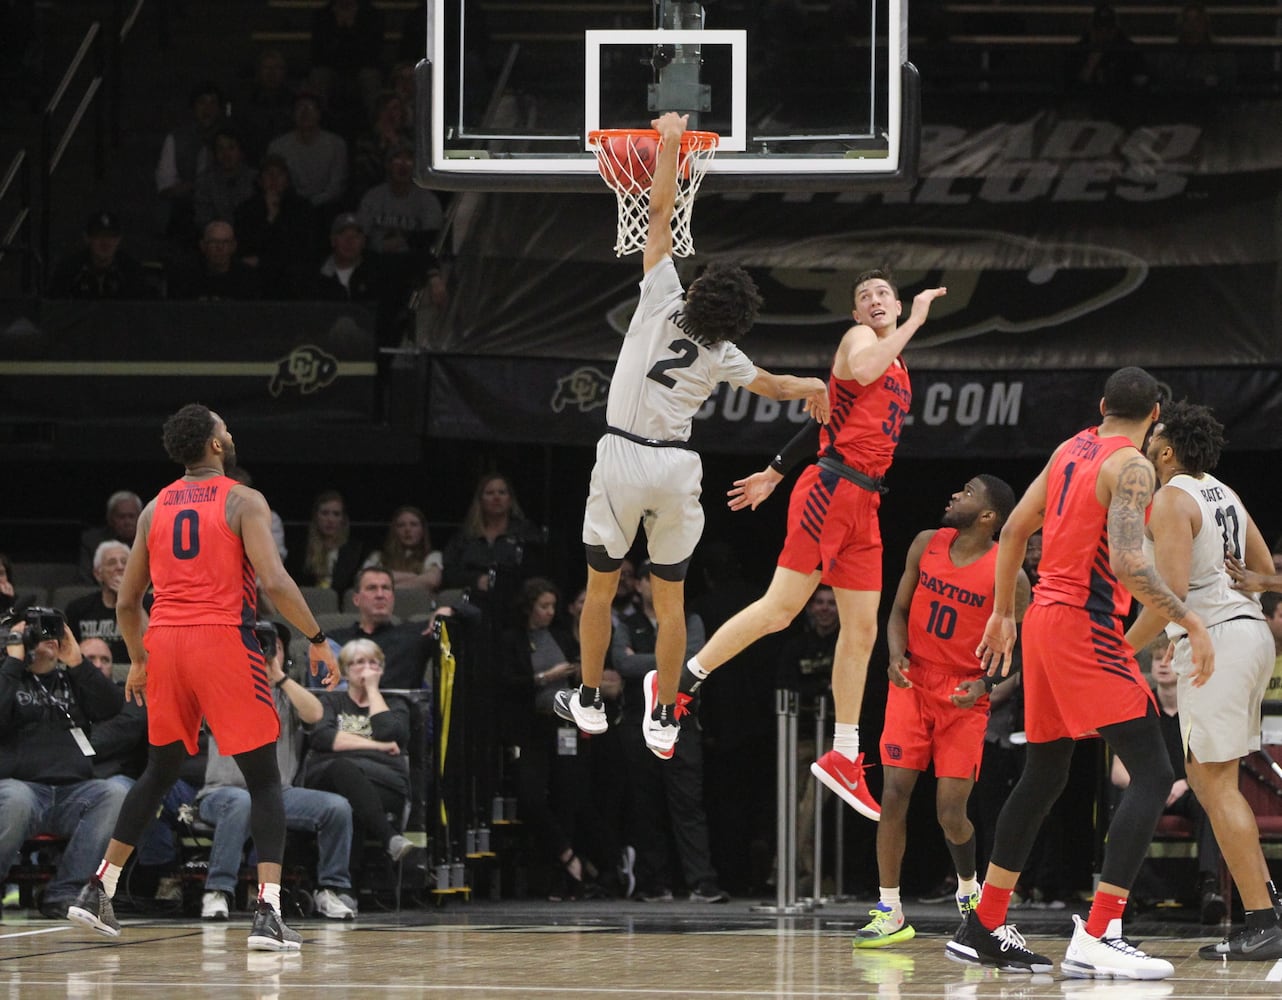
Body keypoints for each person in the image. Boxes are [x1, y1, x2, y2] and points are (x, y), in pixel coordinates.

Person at [559, 112, 831, 763]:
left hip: (623, 454)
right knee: (671, 599)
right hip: (678, 469)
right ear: (737, 319)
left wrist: (672, 142)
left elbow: (657, 217)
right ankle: (664, 715)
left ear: (701, 289)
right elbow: (770, 384)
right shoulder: (724, 354)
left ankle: (591, 698)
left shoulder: (661, 298)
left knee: (600, 586)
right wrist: (813, 387)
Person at [947, 366, 1213, 978]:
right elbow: (1125, 563)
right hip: (1083, 625)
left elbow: (1014, 529)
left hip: (1042, 618)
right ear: (1154, 417)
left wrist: (1004, 616)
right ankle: (1100, 931)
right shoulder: (1135, 466)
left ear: (1101, 406)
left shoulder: (1071, 447)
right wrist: (1187, 619)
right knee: (1152, 771)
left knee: (1044, 772)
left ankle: (983, 922)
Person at [66, 402, 340, 952]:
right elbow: (276, 582)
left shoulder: (154, 508)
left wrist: (140, 661)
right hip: (222, 639)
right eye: (225, 426)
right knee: (263, 778)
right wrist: (316, 639)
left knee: (160, 768)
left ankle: (100, 887)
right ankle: (267, 911)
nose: (230, 430)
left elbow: (125, 602)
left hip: (165, 642)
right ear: (216, 445)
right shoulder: (243, 500)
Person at [663, 269, 945, 802]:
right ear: (857, 315)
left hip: (865, 500)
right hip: (832, 488)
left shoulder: (898, 365)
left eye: (883, 293)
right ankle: (680, 685)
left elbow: (824, 418)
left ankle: (843, 752)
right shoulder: (861, 342)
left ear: (897, 304)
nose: (874, 300)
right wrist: (919, 320)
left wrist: (773, 468)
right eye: (865, 297)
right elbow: (861, 367)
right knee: (780, 610)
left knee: (861, 632)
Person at [1124, 399, 1280, 959]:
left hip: (1219, 642)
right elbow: (1266, 565)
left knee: (1215, 786)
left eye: (1152, 440)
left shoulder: (1170, 499)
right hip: (1250, 636)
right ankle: (1267, 912)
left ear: (1165, 451)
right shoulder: (1223, 491)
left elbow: (1167, 597)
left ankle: (1264, 920)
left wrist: (1122, 651)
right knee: (1214, 781)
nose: (1144, 447)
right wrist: (1250, 584)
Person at [855, 475, 1025, 948]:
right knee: (893, 792)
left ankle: (969, 891)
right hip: (913, 683)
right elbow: (898, 612)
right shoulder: (926, 543)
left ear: (989, 517)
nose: (955, 494)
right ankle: (890, 909)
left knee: (951, 811)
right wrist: (894, 656)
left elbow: (1023, 648)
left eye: (968, 493)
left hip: (964, 695)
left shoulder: (1007, 571)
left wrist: (986, 683)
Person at [198, 621, 356, 922]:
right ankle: (217, 891)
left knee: (336, 808)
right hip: (222, 792)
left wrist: (279, 678)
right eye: (254, 645)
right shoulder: (224, 688)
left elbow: (316, 714)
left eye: (272, 647)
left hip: (277, 794)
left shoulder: (287, 693)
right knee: (241, 803)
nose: (263, 652)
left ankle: (331, 889)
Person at [608, 561, 727, 903]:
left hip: (681, 722)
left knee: (688, 802)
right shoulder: (626, 624)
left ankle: (701, 881)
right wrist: (667, 661)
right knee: (645, 803)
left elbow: (694, 664)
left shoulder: (689, 620)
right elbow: (622, 663)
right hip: (635, 722)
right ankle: (653, 883)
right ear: (641, 585)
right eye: (651, 581)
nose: (657, 587)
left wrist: (647, 660)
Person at [0, 615, 126, 919]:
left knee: (114, 793)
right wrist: (14, 660)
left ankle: (65, 891)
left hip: (73, 791)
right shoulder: (8, 675)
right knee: (15, 799)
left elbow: (112, 706)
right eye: (37, 632)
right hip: (22, 787)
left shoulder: (72, 677)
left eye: (51, 630)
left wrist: (78, 661)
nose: (47, 637)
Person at [498, 578, 605, 899]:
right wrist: (546, 677)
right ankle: (566, 855)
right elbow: (506, 683)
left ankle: (568, 880)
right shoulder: (512, 639)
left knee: (568, 798)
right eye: (543, 606)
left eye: (553, 607)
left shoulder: (560, 636)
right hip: (531, 729)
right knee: (531, 796)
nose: (549, 612)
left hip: (565, 727)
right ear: (529, 607)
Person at [1111, 637, 1224, 923]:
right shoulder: (1139, 706)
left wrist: (1186, 783)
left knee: (1209, 803)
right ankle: (1122, 894)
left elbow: (1213, 764)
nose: (1162, 665)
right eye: (1157, 659)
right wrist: (1152, 785)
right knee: (1128, 803)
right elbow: (1118, 773)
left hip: (1188, 789)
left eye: (1169, 659)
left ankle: (1210, 889)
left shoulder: (1196, 709)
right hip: (1149, 788)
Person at [301, 638, 420, 889]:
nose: (366, 669)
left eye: (372, 662)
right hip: (330, 777)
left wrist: (374, 691)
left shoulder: (396, 704)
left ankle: (341, 891)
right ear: (344, 671)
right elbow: (323, 737)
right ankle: (389, 838)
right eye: (357, 663)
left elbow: (388, 731)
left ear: (382, 669)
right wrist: (377, 747)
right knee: (344, 770)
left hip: (385, 784)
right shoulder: (330, 701)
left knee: (348, 801)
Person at [774, 583, 839, 894]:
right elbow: (786, 687)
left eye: (831, 603)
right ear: (811, 608)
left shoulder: (846, 644)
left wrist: (820, 692)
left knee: (810, 805)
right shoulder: (795, 646)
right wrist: (821, 689)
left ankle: (782, 866)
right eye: (820, 603)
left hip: (831, 737)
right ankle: (808, 876)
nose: (825, 608)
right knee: (794, 804)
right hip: (797, 735)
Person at [357, 143, 447, 311]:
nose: (403, 164)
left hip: (411, 267)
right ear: (388, 165)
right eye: (397, 158)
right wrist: (380, 245)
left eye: (409, 159)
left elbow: (429, 240)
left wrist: (403, 241)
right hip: (377, 263)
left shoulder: (427, 200)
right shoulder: (373, 197)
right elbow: (361, 235)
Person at [323, 566, 441, 691]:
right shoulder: (336, 639)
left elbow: (461, 615)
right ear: (356, 599)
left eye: (386, 588)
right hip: (347, 707)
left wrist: (444, 613)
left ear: (393, 598)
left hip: (397, 708)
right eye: (372, 588)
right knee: (321, 646)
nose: (380, 595)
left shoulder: (416, 634)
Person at [442, 472, 546, 600]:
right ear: (480, 500)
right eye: (490, 493)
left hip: (515, 598)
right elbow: (449, 572)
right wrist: (476, 580)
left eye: (502, 493)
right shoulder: (465, 535)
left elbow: (537, 571)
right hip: (471, 596)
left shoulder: (525, 532)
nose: (496, 497)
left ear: (510, 499)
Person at [233, 154, 320, 298]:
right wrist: (270, 218)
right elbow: (245, 246)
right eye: (269, 173)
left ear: (287, 180)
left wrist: (264, 261)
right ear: (260, 180)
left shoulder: (302, 208)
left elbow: (301, 248)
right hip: (257, 277)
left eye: (279, 174)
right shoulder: (245, 209)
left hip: (290, 275)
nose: (274, 178)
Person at [154, 81, 226, 241]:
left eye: (213, 103)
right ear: (193, 107)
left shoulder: (230, 139)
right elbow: (165, 187)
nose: (207, 109)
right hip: (187, 206)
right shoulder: (177, 138)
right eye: (202, 103)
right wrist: (193, 186)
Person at [266, 91, 349, 211]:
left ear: (319, 113)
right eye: (300, 108)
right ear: (292, 113)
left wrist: (310, 204)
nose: (305, 112)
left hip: (327, 209)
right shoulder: (277, 147)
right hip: (288, 208)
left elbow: (336, 187)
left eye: (310, 108)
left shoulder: (337, 144)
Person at [48, 212, 152, 301]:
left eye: (111, 236)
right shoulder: (69, 270)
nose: (105, 242)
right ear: (87, 238)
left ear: (119, 239)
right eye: (98, 236)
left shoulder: (131, 271)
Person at [64, 541, 131, 663]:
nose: (120, 567)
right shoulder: (78, 608)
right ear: (98, 574)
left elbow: (152, 647)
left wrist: (128, 599)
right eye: (112, 563)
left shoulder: (147, 605)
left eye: (125, 562)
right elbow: (67, 653)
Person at [289, 489, 364, 597]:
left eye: (336, 514)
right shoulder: (300, 548)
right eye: (325, 513)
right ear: (316, 516)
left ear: (343, 519)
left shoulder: (355, 550)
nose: (330, 519)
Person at [168, 220, 262, 301]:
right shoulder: (184, 276)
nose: (219, 247)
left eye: (225, 242)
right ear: (203, 246)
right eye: (213, 242)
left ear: (233, 246)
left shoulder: (247, 277)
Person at [362, 505, 443, 595]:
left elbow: (431, 580)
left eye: (414, 524)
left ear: (422, 530)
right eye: (401, 525)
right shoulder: (378, 557)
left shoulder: (433, 556)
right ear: (394, 530)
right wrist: (413, 576)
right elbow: (364, 579)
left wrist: (386, 588)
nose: (407, 529)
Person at [192, 128, 257, 232]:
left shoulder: (255, 179)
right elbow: (202, 220)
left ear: (241, 151)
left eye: (231, 148)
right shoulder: (205, 181)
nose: (226, 154)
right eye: (220, 148)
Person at [78, 490, 143, 584]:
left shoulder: (154, 540)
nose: (127, 522)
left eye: (132, 516)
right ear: (110, 518)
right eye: (121, 517)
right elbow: (85, 581)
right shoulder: (92, 541)